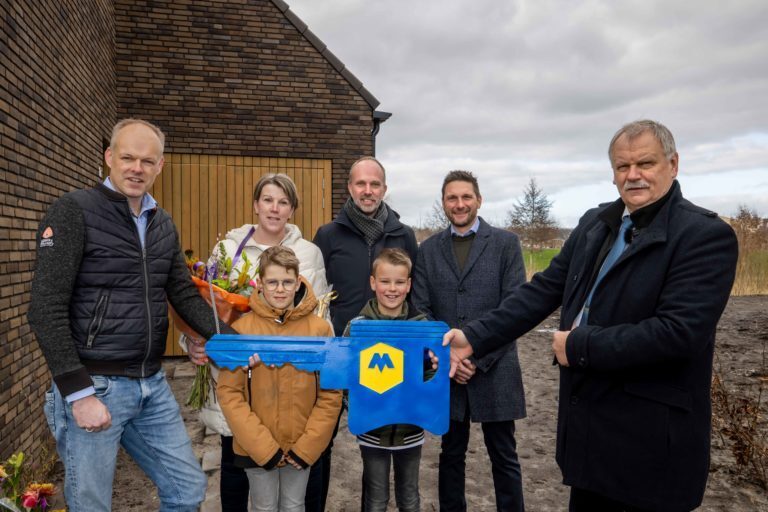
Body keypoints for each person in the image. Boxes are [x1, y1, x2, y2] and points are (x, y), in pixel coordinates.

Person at [444, 120, 739, 511]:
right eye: (622, 167)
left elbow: (678, 334)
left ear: (674, 164)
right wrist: (474, 337)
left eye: (645, 164)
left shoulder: (704, 236)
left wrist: (579, 346)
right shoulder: (596, 225)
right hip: (589, 437)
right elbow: (542, 290)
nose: (632, 175)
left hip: (651, 448)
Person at [27, 118, 235, 511]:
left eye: (146, 160)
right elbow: (44, 308)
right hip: (95, 383)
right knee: (91, 505)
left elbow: (183, 295)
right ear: (109, 157)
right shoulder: (73, 212)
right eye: (127, 157)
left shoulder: (162, 223)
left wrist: (234, 340)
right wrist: (79, 392)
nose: (136, 168)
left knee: (187, 489)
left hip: (150, 385)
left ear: (161, 166)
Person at [184, 173, 329, 512]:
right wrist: (193, 341)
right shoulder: (228, 249)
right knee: (238, 457)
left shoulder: (309, 254)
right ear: (255, 204)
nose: (274, 208)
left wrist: (324, 359)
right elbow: (207, 307)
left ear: (292, 209)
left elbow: (321, 313)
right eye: (268, 200)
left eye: (283, 202)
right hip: (237, 369)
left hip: (293, 376)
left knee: (295, 463)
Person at [412, 170, 527, 512]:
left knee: (504, 455)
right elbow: (421, 308)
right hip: (448, 372)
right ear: (443, 203)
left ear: (479, 199)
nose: (459, 204)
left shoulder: (506, 244)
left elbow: (515, 309)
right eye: (452, 198)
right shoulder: (429, 249)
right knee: (451, 455)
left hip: (495, 367)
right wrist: (449, 360)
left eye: (466, 197)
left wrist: (476, 359)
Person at [310, 156, 418, 510]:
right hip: (342, 355)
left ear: (384, 189)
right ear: (350, 188)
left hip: (389, 361)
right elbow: (316, 295)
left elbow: (415, 294)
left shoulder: (403, 235)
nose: (367, 191)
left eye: (374, 184)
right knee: (322, 441)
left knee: (382, 437)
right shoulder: (328, 235)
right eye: (361, 184)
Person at [217, 246, 343, 512]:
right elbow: (230, 394)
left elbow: (331, 394)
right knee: (263, 507)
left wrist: (308, 446)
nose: (280, 289)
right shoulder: (241, 331)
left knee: (295, 506)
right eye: (272, 282)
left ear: (298, 282)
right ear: (259, 284)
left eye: (287, 282)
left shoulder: (319, 331)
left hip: (301, 445)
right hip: (256, 449)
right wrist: (263, 448)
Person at [343, 248, 431, 512]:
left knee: (409, 497)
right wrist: (359, 409)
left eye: (399, 281)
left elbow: (430, 379)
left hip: (410, 430)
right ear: (373, 283)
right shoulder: (356, 327)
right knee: (376, 499)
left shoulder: (422, 326)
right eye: (385, 281)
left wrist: (430, 369)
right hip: (372, 430)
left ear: (409, 285)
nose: (392, 289)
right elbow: (348, 378)